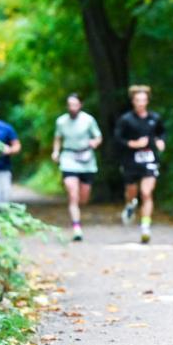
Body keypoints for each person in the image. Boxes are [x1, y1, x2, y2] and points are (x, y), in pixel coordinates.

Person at [116, 85, 166, 244]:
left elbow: (161, 132)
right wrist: (132, 144)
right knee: (131, 192)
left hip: (150, 160)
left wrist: (160, 142)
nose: (141, 103)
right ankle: (130, 205)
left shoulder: (155, 118)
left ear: (147, 101)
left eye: (144, 100)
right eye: (138, 100)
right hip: (131, 161)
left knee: (146, 193)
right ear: (133, 101)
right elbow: (118, 139)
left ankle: (145, 226)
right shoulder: (126, 120)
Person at [51, 93, 102, 241]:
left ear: (80, 105)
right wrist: (55, 152)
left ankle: (78, 209)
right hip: (68, 158)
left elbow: (98, 136)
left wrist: (95, 143)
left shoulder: (88, 120)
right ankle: (76, 227)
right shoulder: (61, 121)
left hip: (86, 159)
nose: (72, 108)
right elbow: (57, 138)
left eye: (75, 105)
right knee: (73, 194)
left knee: (83, 197)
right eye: (69, 105)